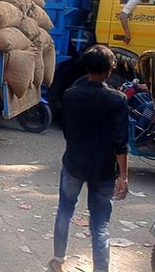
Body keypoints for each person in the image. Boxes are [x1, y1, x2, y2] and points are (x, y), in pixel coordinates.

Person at [50, 45, 129, 272]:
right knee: (100, 223)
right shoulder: (118, 100)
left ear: (86, 67)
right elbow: (120, 143)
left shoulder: (70, 94)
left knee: (65, 210)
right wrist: (123, 176)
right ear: (110, 70)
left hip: (74, 164)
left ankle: (58, 261)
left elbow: (67, 131)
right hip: (104, 170)